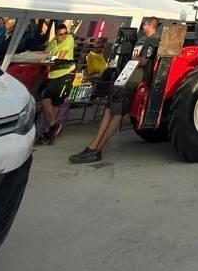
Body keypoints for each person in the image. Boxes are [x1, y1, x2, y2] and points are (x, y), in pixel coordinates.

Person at [69, 17, 161, 164]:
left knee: (117, 110)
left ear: (150, 25)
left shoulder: (153, 40)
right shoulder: (146, 39)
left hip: (136, 78)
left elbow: (144, 61)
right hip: (129, 76)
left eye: (144, 24)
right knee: (110, 106)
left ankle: (97, 148)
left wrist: (134, 60)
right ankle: (94, 145)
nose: (143, 26)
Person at [37, 22, 76, 143]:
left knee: (55, 103)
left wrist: (48, 58)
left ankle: (50, 132)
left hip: (65, 73)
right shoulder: (53, 41)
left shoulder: (69, 39)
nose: (63, 36)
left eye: (65, 33)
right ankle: (53, 126)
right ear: (56, 35)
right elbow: (44, 55)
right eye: (61, 34)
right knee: (45, 101)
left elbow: (60, 56)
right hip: (53, 75)